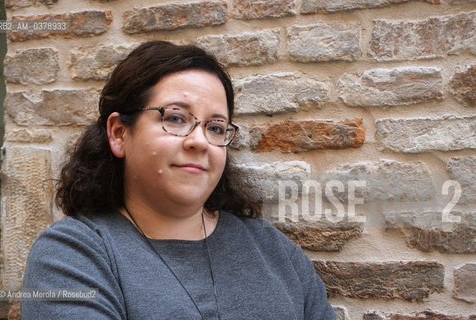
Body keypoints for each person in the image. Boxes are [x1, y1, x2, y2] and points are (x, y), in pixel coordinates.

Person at [21, 41, 336, 319]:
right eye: (175, 118)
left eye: (215, 127)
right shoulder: (72, 255)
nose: (199, 141)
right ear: (119, 133)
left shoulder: (273, 251)